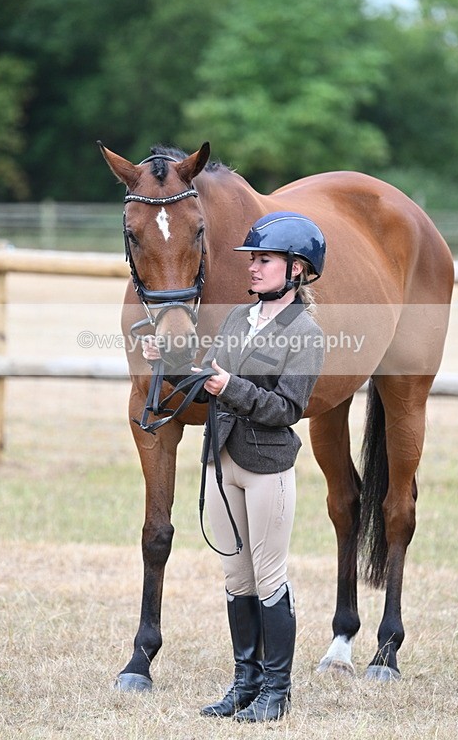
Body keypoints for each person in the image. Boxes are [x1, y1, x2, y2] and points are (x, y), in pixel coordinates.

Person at [142, 211, 325, 722]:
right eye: (253, 259)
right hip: (221, 461)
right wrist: (169, 364)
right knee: (236, 577)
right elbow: (207, 386)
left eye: (264, 260)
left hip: (266, 466)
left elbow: (287, 410)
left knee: (269, 576)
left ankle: (276, 692)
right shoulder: (238, 320)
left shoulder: (306, 334)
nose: (253, 267)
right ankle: (245, 684)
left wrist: (231, 387)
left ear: (296, 269)